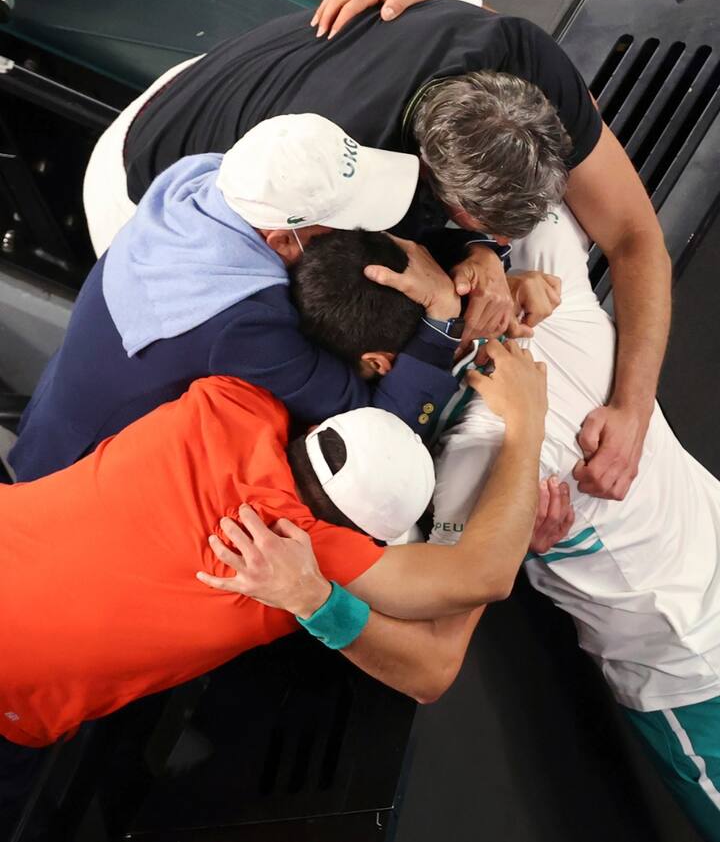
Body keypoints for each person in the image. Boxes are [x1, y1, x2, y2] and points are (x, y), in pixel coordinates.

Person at [216, 213, 720, 838]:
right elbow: (563, 147)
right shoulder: (553, 289)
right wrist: (484, 248)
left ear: (374, 362)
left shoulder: (474, 457)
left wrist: (312, 597)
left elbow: (432, 664)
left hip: (690, 673)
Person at [82, 0, 670, 502]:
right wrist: (449, 302)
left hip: (250, 83)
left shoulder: (521, 53)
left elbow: (634, 236)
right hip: (151, 175)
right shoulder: (319, 179)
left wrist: (632, 411)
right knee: (314, 418)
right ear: (444, 193)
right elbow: (359, 388)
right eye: (481, 225)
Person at [0, 347, 564, 829]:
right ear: (363, 537)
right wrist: (527, 424)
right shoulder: (290, 549)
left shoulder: (231, 401)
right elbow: (468, 599)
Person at [9, 114, 463, 482]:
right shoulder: (239, 321)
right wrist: (441, 313)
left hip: (52, 419)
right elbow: (375, 430)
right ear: (284, 241)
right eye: (348, 219)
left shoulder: (208, 178)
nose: (359, 230)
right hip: (74, 477)